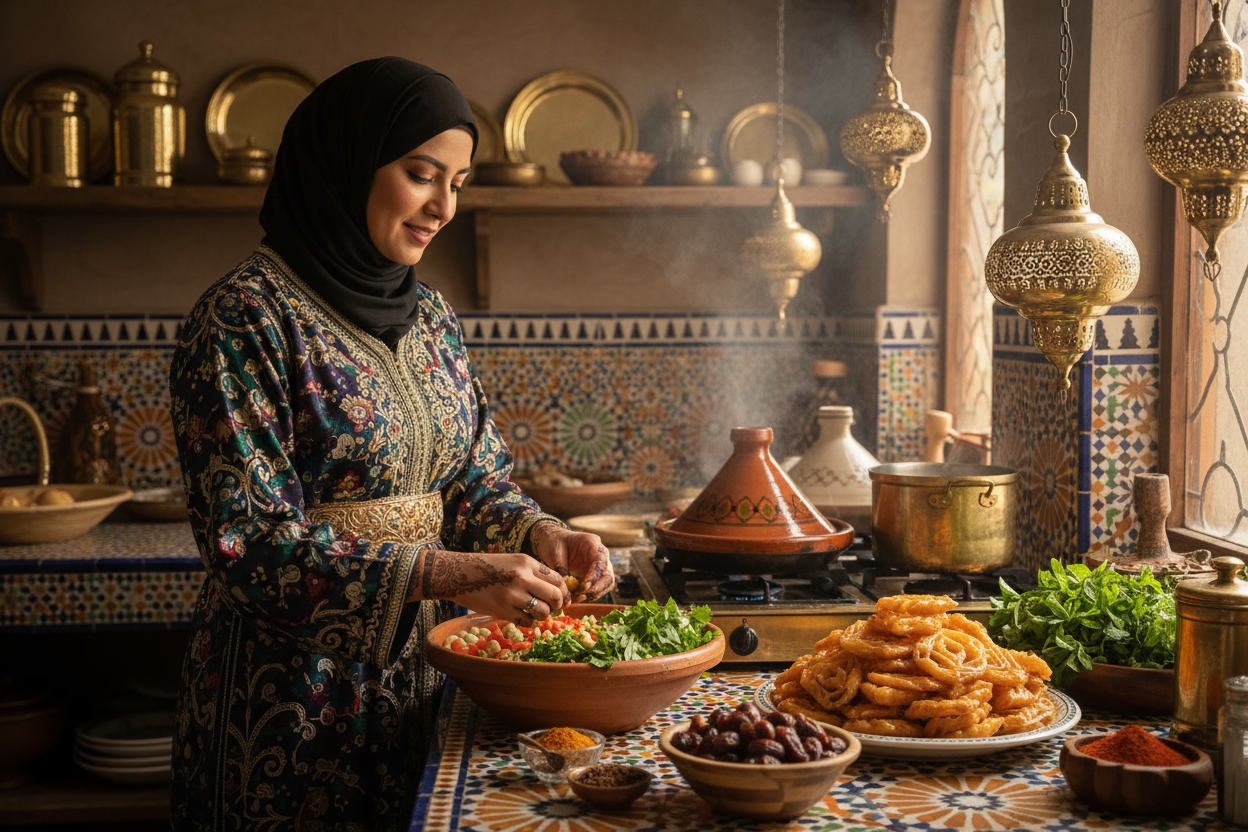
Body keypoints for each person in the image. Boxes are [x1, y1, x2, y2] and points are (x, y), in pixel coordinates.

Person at [168, 57, 614, 831]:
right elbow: (251, 547)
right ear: (349, 160)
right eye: (421, 174)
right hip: (287, 708)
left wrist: (540, 533)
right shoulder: (245, 318)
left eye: (460, 183)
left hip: (428, 685)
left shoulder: (431, 317)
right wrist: (445, 570)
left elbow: (474, 480)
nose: (444, 206)